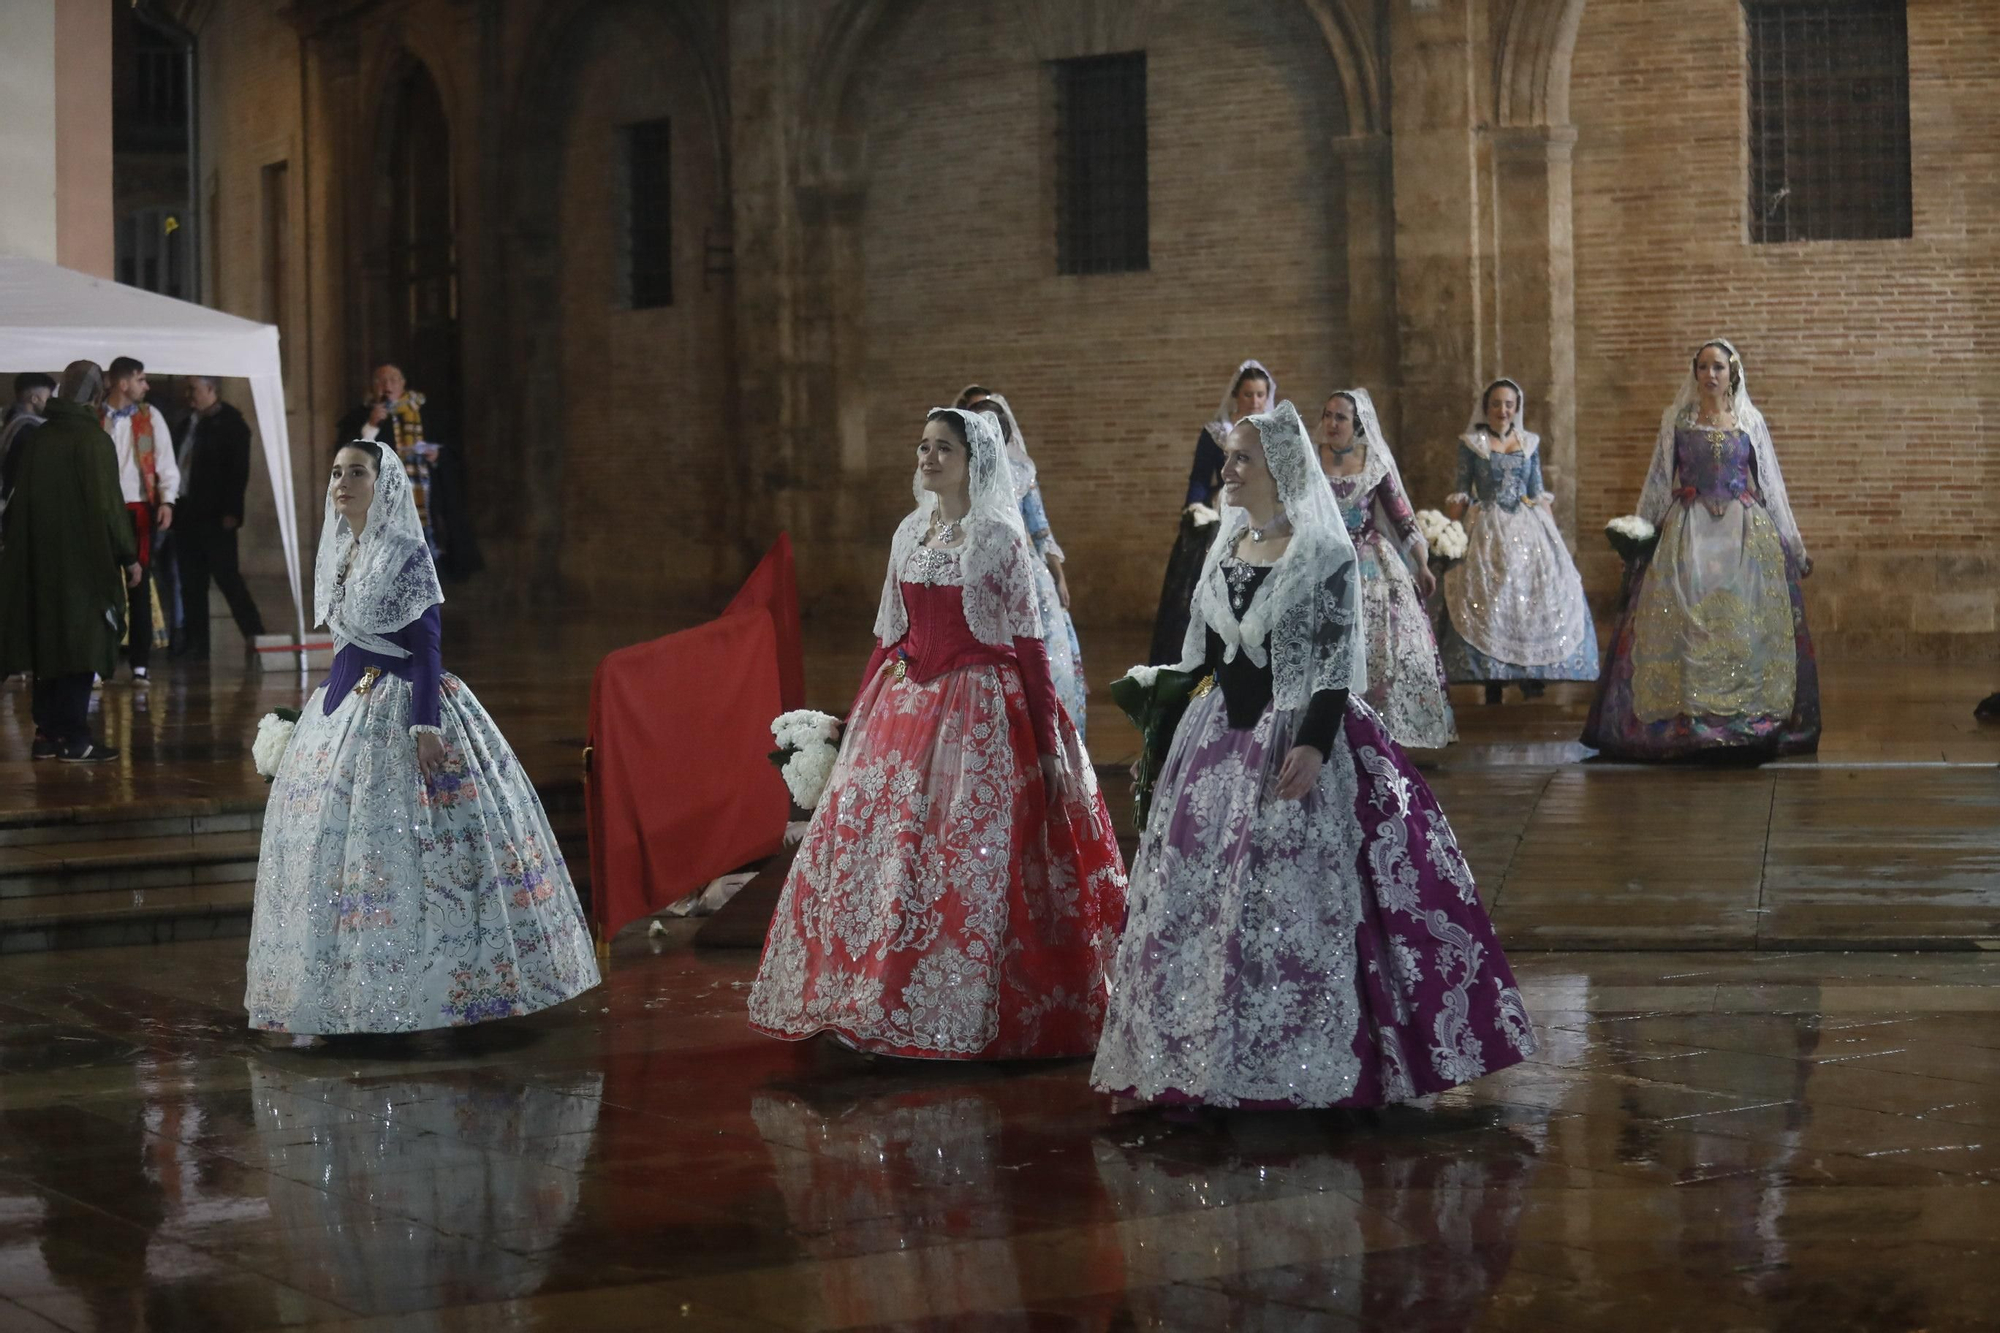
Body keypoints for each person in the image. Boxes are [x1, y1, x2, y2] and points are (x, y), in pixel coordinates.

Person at [1091, 400, 1535, 1110]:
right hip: (1218, 743)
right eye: (1228, 458)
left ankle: (1315, 1056)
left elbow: (1334, 664)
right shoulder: (1227, 546)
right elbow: (1201, 657)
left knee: (1308, 901)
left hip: (1298, 733)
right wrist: (1165, 729)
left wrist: (1314, 743)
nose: (1228, 470)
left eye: (1242, 459)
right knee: (1206, 902)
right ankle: (1203, 1054)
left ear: (1279, 468)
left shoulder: (1324, 554)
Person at [749, 407, 1125, 1060]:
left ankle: (965, 1006)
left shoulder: (1002, 539)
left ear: (972, 461)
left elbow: (1031, 650)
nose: (927, 457)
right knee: (888, 849)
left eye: (942, 448)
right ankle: (868, 995)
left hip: (980, 707)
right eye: (922, 446)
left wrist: (1048, 741)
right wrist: (852, 716)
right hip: (902, 707)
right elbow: (889, 634)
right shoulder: (909, 532)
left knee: (964, 854)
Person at [244, 440, 599, 1037]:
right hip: (343, 709)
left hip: (402, 706)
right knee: (335, 852)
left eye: (356, 473)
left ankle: (438, 993)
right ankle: (335, 994)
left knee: (416, 854)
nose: (341, 483)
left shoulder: (406, 554)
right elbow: (341, 645)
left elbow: (427, 647)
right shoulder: (341, 552)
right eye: (335, 473)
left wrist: (426, 724)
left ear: (381, 484)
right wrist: (310, 725)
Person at [1582, 339, 1819, 760]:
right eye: (1703, 367)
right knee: (1686, 620)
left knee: (1741, 622)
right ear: (1694, 373)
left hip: (1743, 532)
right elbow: (1658, 480)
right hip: (1687, 529)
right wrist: (1639, 535)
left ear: (1733, 374)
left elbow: (1772, 487)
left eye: (1719, 368)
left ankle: (1744, 717)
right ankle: (1685, 719)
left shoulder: (1749, 421)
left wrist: (1795, 548)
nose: (1710, 375)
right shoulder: (1676, 420)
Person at [0, 362, 140, 761]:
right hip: (84, 567)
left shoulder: (40, 437)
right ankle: (76, 737)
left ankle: (46, 735)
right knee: (83, 646)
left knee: (48, 648)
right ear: (96, 396)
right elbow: (108, 507)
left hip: (39, 563)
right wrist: (128, 556)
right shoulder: (93, 442)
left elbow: (18, 502)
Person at [1435, 378, 1598, 702]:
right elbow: (1462, 490)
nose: (1503, 410)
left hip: (1527, 527)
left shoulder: (1529, 443)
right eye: (1496, 403)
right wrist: (1448, 532)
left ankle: (1532, 675)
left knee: (1535, 596)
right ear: (1486, 408)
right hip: (1487, 526)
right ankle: (1493, 676)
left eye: (1509, 404)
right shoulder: (1472, 444)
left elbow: (1536, 491)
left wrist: (1555, 539)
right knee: (1493, 597)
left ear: (1516, 408)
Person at [1319, 389, 1456, 749]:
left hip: (1369, 564)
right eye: (1327, 415)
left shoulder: (1374, 463)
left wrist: (1422, 564)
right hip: (1323, 562)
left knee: (1381, 645)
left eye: (1341, 418)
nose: (1332, 423)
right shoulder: (1310, 461)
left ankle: (1376, 725)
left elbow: (1402, 517)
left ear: (1358, 425)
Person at [959, 386, 1088, 738]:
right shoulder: (960, 471)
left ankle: (1056, 735)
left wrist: (1058, 575)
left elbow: (1040, 527)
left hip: (1029, 571)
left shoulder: (1021, 470)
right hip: (978, 570)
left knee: (1045, 655)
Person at [1147, 359, 1274, 664]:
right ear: (1235, 396)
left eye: (1260, 394)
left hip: (1266, 517)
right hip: (1225, 513)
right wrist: (1194, 510)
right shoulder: (1218, 433)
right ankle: (1206, 662)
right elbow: (1200, 480)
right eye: (1248, 394)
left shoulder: (1275, 433)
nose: (1254, 401)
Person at [335, 364, 481, 578]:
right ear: (373, 387)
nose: (387, 385)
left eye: (393, 380)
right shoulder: (362, 416)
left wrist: (437, 455)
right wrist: (372, 424)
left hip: (423, 502)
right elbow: (348, 455)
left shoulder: (425, 413)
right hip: (383, 506)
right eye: (381, 381)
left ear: (403, 384)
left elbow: (452, 450)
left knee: (425, 568)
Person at [173, 376, 266, 659]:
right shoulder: (185, 423)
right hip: (185, 510)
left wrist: (232, 511)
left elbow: (238, 472)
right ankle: (196, 643)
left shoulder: (231, 425)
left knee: (227, 577)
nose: (190, 395)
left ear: (212, 390)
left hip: (215, 514)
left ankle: (255, 635)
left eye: (195, 390)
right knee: (191, 580)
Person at [100, 357, 179, 681]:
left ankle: (140, 664)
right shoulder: (94, 415)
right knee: (100, 585)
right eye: (141, 379)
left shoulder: (150, 417)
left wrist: (168, 501)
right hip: (102, 508)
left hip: (138, 508)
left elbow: (165, 461)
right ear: (123, 383)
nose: (146, 386)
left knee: (139, 581)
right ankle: (98, 662)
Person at [0, 372, 55, 518]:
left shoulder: (10, 421)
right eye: (48, 397)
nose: (51, 402)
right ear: (35, 399)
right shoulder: (29, 431)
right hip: (19, 510)